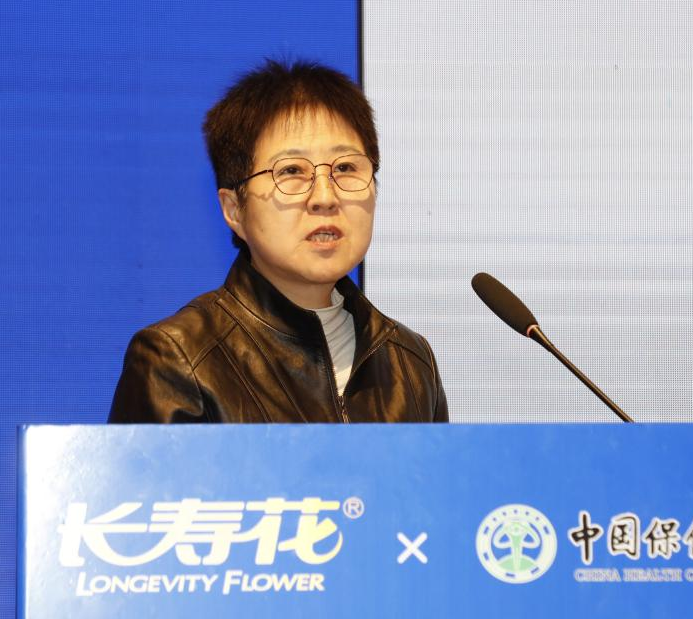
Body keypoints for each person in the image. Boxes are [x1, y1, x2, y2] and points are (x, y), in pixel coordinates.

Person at [108, 59, 448, 424]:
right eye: (291, 171)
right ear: (234, 209)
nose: (325, 197)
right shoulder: (177, 359)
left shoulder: (410, 362)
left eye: (346, 168)